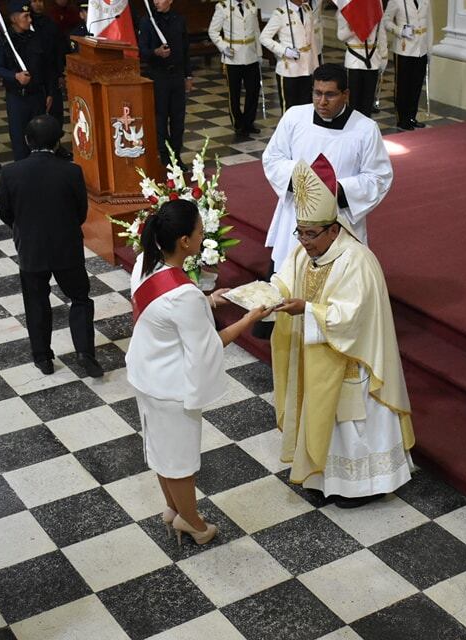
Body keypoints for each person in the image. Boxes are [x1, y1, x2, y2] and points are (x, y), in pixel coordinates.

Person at [125, 200, 271, 545]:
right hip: (171, 387)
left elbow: (166, 306)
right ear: (186, 242)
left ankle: (173, 510)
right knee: (179, 460)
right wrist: (249, 319)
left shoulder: (145, 265)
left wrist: (209, 299)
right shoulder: (185, 295)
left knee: (161, 450)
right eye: (200, 231)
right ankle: (192, 523)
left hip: (146, 374)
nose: (203, 234)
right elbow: (210, 344)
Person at [271, 159, 415, 507]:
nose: (303, 241)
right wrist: (269, 294)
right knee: (323, 416)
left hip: (353, 358)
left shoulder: (357, 260)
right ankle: (323, 476)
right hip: (318, 356)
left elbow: (351, 318)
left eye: (310, 234)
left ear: (333, 229)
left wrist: (306, 309)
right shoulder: (306, 251)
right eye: (299, 232)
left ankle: (367, 485)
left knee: (353, 424)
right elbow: (286, 279)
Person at [0, 115, 103, 378]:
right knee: (79, 298)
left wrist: (26, 231)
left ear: (26, 140)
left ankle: (43, 358)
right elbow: (81, 211)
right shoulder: (71, 171)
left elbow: (5, 213)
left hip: (31, 249)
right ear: (58, 142)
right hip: (67, 247)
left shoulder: (10, 172)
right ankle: (85, 354)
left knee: (36, 301)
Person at [262, 63, 392, 268]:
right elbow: (272, 157)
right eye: (317, 93)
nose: (322, 102)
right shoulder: (294, 117)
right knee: (289, 275)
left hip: (338, 218)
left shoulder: (365, 129)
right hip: (297, 214)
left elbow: (378, 177)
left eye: (330, 95)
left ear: (346, 94)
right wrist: (303, 179)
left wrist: (338, 189)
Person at [0, 3, 55, 160]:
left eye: (30, 16)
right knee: (20, 140)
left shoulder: (36, 38)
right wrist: (15, 76)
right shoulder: (2, 41)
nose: (30, 20)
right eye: (25, 17)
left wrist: (50, 93)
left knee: (41, 138)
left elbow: (47, 68)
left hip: (37, 96)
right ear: (14, 19)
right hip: (17, 98)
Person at [138, 0, 192, 168]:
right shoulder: (148, 21)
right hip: (158, 75)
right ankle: (165, 157)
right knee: (160, 119)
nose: (156, 1)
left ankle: (176, 155)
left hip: (176, 75)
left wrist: (188, 76)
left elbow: (185, 50)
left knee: (178, 119)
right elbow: (142, 51)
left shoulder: (179, 20)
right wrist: (156, 52)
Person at [208, 0, 262, 137]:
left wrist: (259, 53)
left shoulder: (251, 5)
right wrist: (223, 47)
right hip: (233, 57)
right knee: (234, 92)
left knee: (253, 90)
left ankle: (249, 122)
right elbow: (213, 31)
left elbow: (256, 31)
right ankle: (238, 123)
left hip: (251, 55)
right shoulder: (223, 7)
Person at [259, 0, 317, 112]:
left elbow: (312, 40)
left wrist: (315, 66)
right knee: (290, 108)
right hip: (290, 69)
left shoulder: (307, 10)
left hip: (307, 67)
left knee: (307, 107)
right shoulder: (280, 13)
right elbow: (264, 37)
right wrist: (284, 51)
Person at [384, 0, 432, 130]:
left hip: (421, 48)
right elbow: (386, 20)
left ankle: (411, 116)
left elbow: (429, 23)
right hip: (404, 48)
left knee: (416, 85)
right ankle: (402, 119)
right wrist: (400, 31)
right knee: (403, 86)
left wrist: (429, 48)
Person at [336, 10, 387, 117]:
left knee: (368, 101)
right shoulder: (348, 8)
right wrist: (354, 26)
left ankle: (366, 128)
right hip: (355, 61)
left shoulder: (374, 6)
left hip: (373, 60)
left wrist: (384, 56)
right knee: (353, 100)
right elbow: (341, 36)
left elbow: (381, 34)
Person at [30, 0, 67, 125]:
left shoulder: (50, 24)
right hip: (34, 75)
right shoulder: (27, 25)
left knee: (55, 113)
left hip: (52, 73)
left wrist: (61, 73)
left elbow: (58, 50)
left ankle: (55, 142)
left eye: (40, 1)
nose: (38, 4)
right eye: (34, 1)